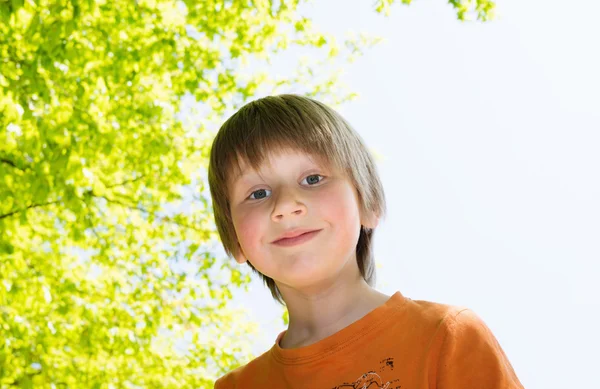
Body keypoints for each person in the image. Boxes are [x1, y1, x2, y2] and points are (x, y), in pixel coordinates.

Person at [209, 94, 524, 388]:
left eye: (312, 179)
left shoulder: (446, 335)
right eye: (258, 194)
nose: (286, 205)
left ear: (368, 204)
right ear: (234, 240)